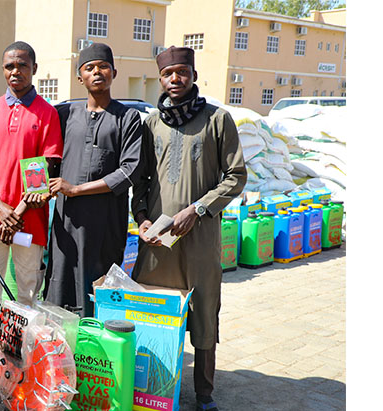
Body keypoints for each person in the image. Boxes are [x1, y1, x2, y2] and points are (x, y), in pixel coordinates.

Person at [131, 46, 246, 411]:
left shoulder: (217, 119)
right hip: (158, 240)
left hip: (200, 237)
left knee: (203, 311)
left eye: (182, 72)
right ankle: (152, 386)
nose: (175, 79)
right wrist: (141, 218)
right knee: (152, 312)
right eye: (168, 74)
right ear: (160, 79)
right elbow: (141, 180)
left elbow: (236, 176)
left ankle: (204, 394)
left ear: (193, 75)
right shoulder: (151, 123)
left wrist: (197, 209)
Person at [0, 41, 63, 355]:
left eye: (22, 65)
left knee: (27, 291)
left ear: (34, 68)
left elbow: (45, 168)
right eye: (9, 66)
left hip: (29, 221)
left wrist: (16, 212)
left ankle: (23, 353)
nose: (15, 71)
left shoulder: (47, 113)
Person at [44, 43, 143, 318]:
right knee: (62, 283)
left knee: (100, 286)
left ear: (114, 73)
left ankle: (96, 343)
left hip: (105, 222)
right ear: (80, 77)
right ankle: (63, 343)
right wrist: (42, 187)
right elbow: (51, 160)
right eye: (89, 68)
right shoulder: (65, 115)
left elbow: (129, 170)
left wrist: (76, 188)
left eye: (103, 67)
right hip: (67, 220)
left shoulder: (128, 118)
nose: (97, 72)